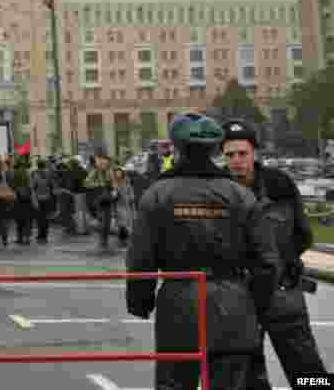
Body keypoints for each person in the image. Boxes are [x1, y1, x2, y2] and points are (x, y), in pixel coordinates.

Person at [126, 112, 280, 390]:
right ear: (214, 149)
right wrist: (253, 303)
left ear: (176, 147)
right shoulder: (240, 195)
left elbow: (141, 258)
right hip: (233, 304)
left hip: (179, 302)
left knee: (174, 383)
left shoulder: (157, 194)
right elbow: (267, 261)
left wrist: (140, 298)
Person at [220, 119, 328, 389]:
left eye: (242, 153)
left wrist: (286, 261)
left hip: (283, 294)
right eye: (229, 154)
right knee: (249, 375)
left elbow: (303, 234)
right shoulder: (218, 189)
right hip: (239, 298)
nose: (236, 160)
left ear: (255, 152)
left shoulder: (280, 184)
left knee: (308, 371)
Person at [84, 148, 115, 253]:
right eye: (102, 161)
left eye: (106, 161)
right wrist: (99, 185)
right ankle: (102, 242)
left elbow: (115, 183)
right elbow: (87, 183)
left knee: (107, 222)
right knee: (102, 221)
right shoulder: (95, 171)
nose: (104, 163)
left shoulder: (111, 170)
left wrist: (115, 189)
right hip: (100, 199)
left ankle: (104, 242)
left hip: (109, 198)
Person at [30, 158, 54, 244]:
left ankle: (40, 235)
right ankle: (45, 235)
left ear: (37, 165)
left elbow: (32, 187)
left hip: (38, 198)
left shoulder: (34, 173)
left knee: (39, 217)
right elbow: (51, 186)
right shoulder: (48, 173)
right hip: (47, 197)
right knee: (46, 217)